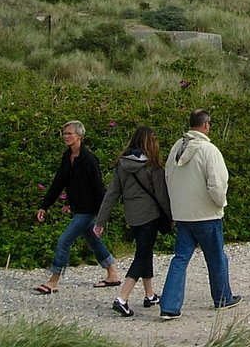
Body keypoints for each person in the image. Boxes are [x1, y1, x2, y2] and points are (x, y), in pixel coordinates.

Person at [159, 109, 241, 319]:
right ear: (206, 125)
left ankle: (170, 305)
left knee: (180, 258)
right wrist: (220, 204)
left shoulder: (177, 148)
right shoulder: (208, 150)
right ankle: (222, 297)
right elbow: (217, 184)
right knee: (216, 257)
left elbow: (168, 177)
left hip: (183, 214)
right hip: (206, 214)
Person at [34, 120, 122, 294]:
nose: (66, 137)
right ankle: (112, 273)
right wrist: (45, 205)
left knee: (64, 241)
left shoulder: (89, 159)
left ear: (79, 136)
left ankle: (53, 280)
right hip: (77, 207)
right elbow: (58, 182)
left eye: (70, 134)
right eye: (64, 133)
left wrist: (101, 218)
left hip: (88, 210)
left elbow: (99, 188)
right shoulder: (67, 157)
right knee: (92, 240)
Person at [93, 126, 171, 316]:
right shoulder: (153, 166)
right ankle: (122, 298)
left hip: (132, 216)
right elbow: (161, 195)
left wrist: (100, 221)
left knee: (145, 251)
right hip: (150, 215)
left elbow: (112, 194)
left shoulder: (122, 164)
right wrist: (171, 217)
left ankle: (150, 294)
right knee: (142, 255)